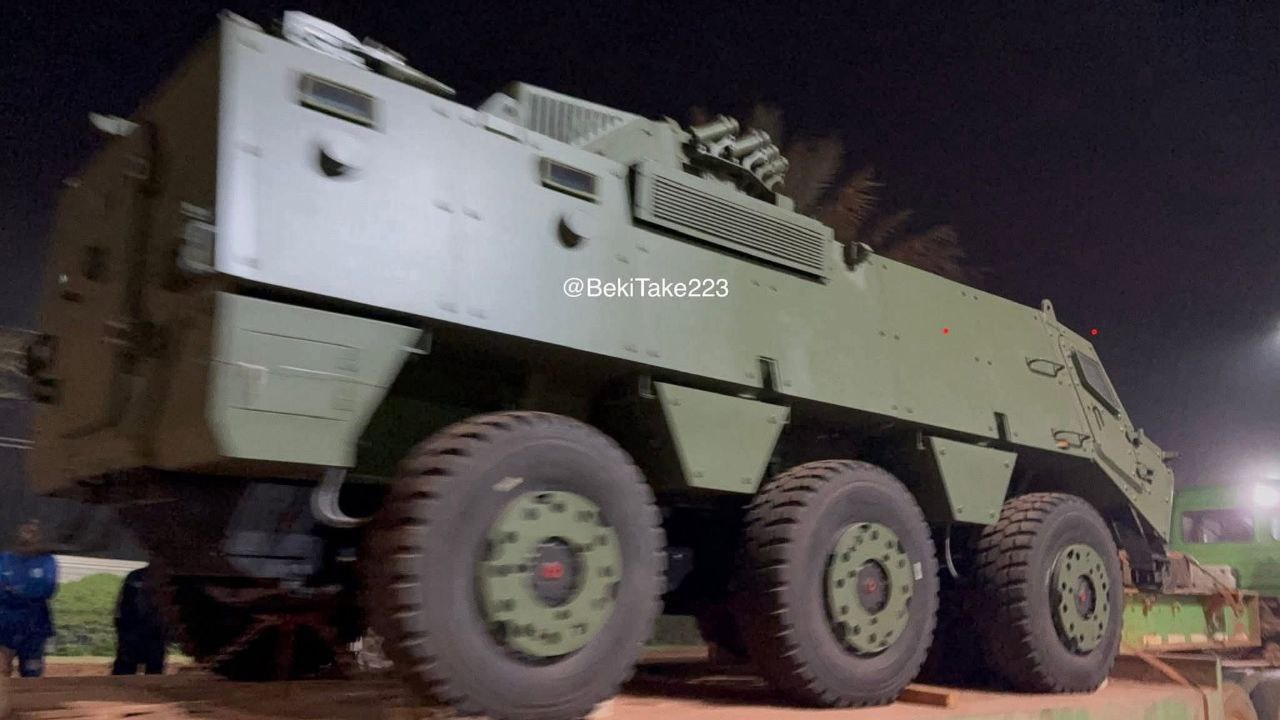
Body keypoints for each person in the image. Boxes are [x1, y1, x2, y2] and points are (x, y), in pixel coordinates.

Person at [0, 520, 58, 678]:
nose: (30, 533)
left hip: (35, 627)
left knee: (32, 672)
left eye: (35, 531)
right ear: (17, 532)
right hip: (5, 625)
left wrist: (14, 591)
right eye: (26, 529)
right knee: (2, 669)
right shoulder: (4, 559)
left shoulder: (47, 561)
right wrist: (26, 591)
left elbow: (47, 589)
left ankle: (31, 702)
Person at [112, 566, 166, 675]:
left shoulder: (136, 576)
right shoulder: (136, 576)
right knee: (127, 662)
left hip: (151, 629)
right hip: (134, 628)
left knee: (152, 664)